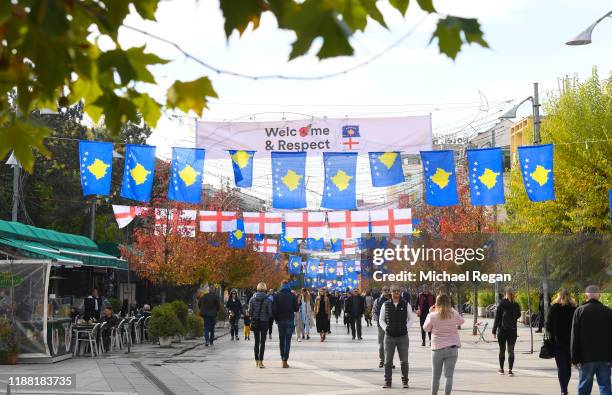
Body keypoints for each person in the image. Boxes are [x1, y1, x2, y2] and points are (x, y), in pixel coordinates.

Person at [570, 285, 612, 395]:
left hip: (586, 357)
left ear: (586, 295)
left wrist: (574, 358)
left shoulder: (579, 311)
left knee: (584, 387)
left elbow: (575, 336)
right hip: (605, 357)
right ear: (599, 295)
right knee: (605, 386)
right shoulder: (608, 312)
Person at [423, 294, 465, 395]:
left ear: (436, 303)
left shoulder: (432, 315)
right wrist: (454, 311)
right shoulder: (453, 313)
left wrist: (430, 312)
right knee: (449, 376)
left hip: (437, 349)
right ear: (448, 302)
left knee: (436, 377)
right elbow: (461, 321)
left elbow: (426, 328)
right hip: (452, 348)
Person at [379, 284, 413, 389]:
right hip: (389, 337)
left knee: (404, 361)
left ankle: (405, 381)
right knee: (388, 361)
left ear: (400, 292)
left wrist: (405, 328)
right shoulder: (385, 304)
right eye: (394, 291)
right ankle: (387, 381)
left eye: (398, 291)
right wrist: (386, 328)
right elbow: (381, 319)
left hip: (403, 337)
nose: (396, 293)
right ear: (391, 292)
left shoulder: (406, 304)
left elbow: (411, 319)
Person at [546, 288, 577, 395]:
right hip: (571, 342)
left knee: (561, 366)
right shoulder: (574, 308)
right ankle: (565, 387)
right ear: (569, 296)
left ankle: (563, 389)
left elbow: (548, 325)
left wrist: (552, 334)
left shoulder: (554, 308)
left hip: (557, 342)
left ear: (559, 296)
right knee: (568, 367)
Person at [492, 287, 521, 376]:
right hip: (512, 331)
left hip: (502, 330)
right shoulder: (516, 305)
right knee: (511, 350)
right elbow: (518, 316)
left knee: (502, 350)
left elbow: (497, 318)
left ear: (506, 294)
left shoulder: (502, 304)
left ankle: (501, 369)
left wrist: (494, 330)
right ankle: (510, 370)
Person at [272, 280, 299, 368]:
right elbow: (296, 309)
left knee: (281, 340)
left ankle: (282, 358)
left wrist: (276, 319)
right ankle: (285, 360)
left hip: (280, 320)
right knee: (288, 341)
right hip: (289, 320)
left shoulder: (276, 296)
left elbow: (274, 310)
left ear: (281, 285)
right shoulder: (292, 295)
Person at [248, 282, 273, 368]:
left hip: (255, 321)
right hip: (264, 322)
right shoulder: (268, 300)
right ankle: (261, 361)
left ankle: (256, 360)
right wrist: (266, 316)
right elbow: (270, 313)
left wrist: (254, 315)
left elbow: (250, 312)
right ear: (265, 289)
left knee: (256, 341)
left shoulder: (252, 299)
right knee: (262, 342)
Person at [373, 286, 391, 368]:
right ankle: (381, 360)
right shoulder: (378, 300)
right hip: (381, 325)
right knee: (381, 344)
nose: (386, 291)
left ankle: (389, 361)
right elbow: (375, 312)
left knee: (390, 344)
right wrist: (379, 322)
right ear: (381, 291)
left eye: (388, 290)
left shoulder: (393, 299)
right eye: (385, 290)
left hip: (392, 325)